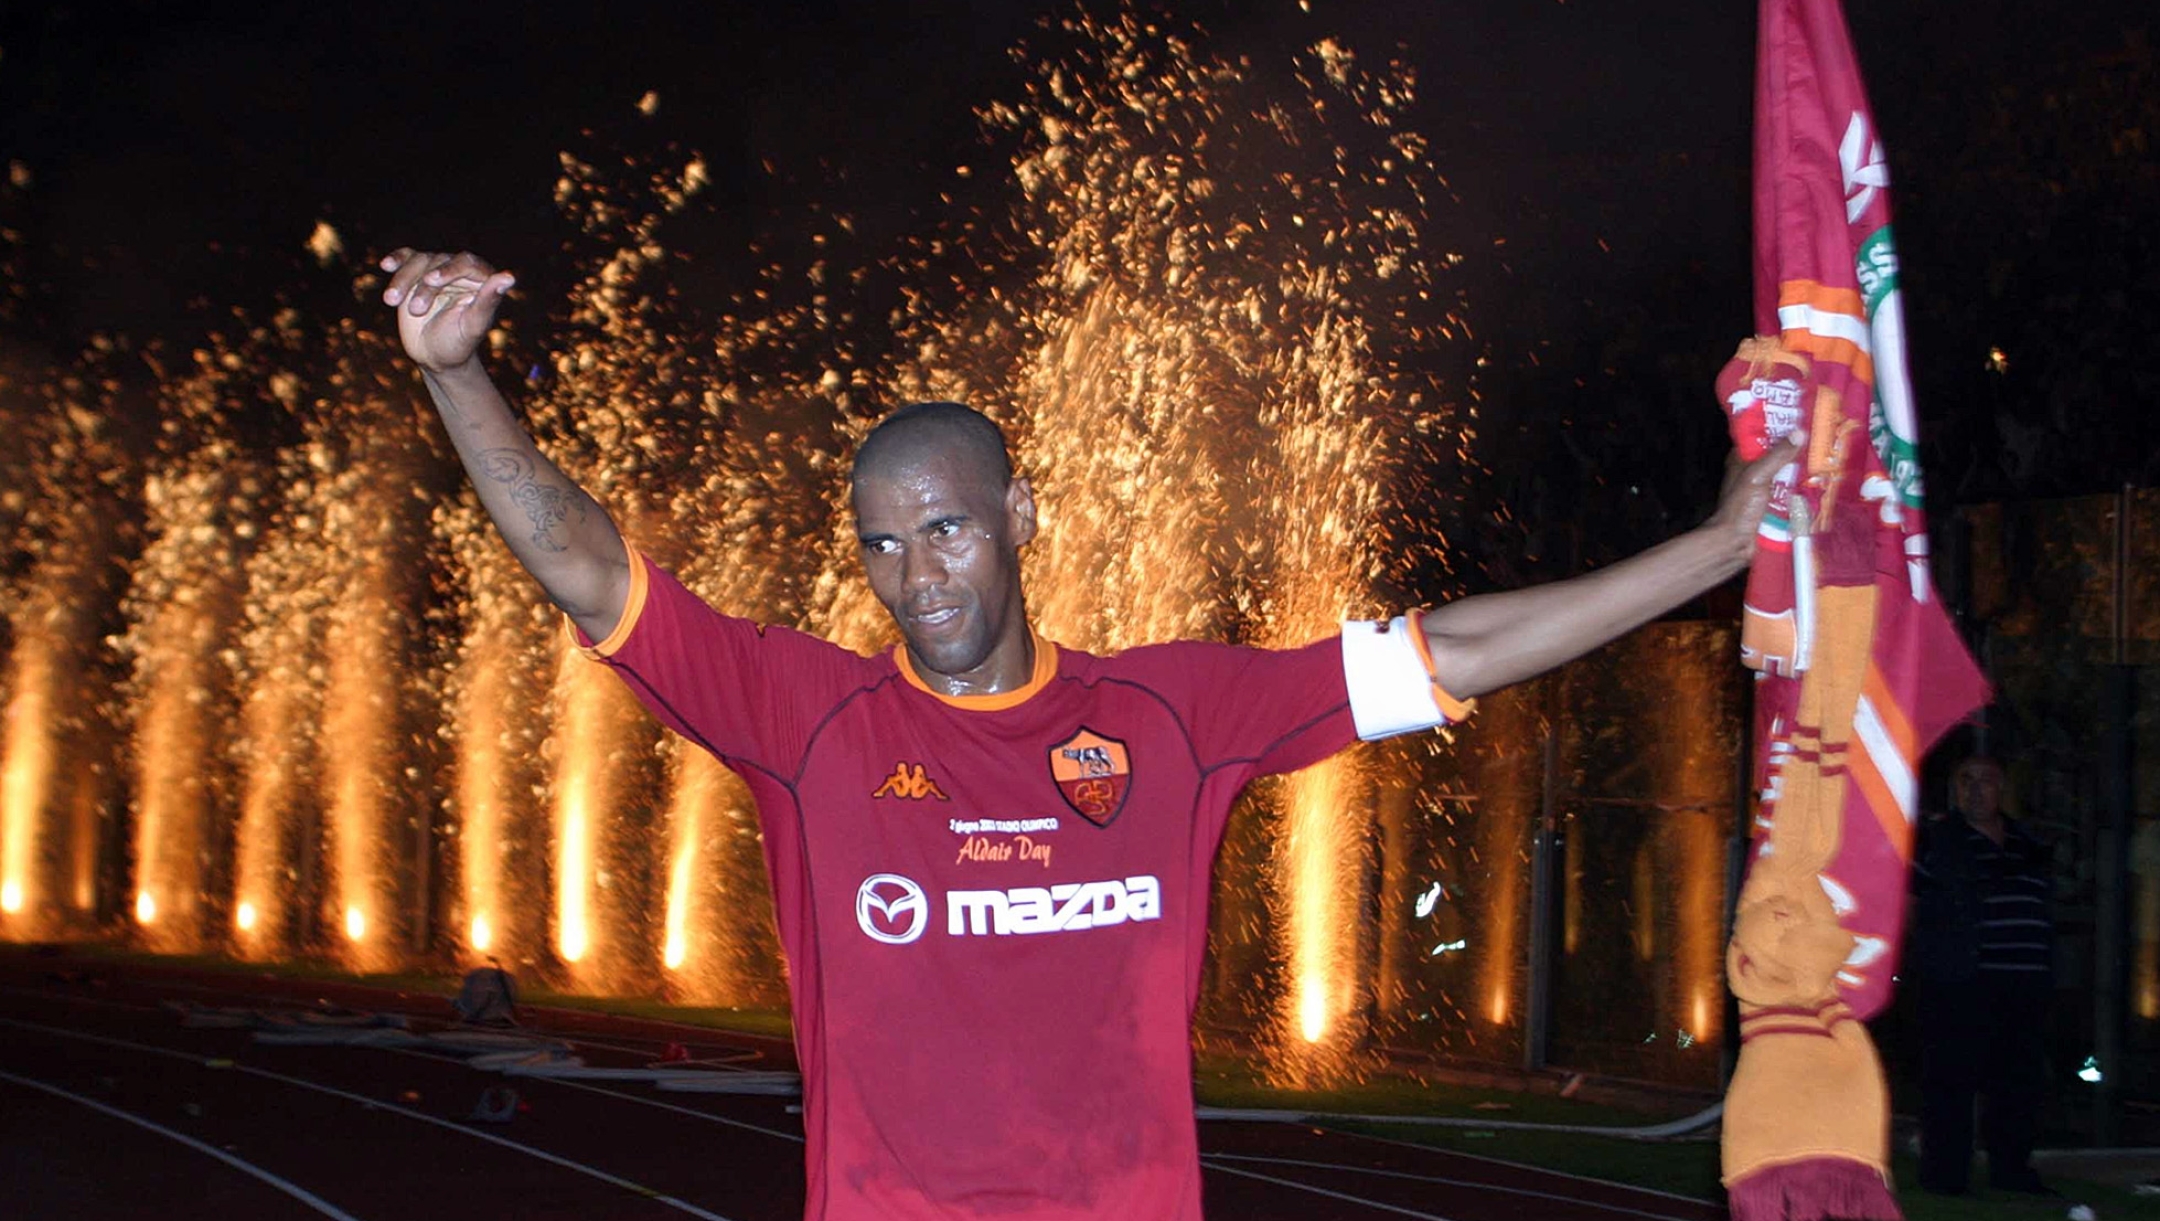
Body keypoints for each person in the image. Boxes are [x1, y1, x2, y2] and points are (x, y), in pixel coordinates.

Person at [380, 247, 1802, 1220]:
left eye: (944, 528)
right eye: (882, 544)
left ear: (1020, 518)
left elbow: (1462, 649)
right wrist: (455, 374)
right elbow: (583, 562)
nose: (916, 573)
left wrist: (1720, 547)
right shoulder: (808, 720)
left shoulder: (1169, 715)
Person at [1908, 753, 2055, 1195]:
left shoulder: (2028, 844)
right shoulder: (1938, 842)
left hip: (2025, 983)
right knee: (1951, 1082)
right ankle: (1945, 1176)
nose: (1975, 789)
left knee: (2017, 1084)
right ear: (1955, 791)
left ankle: (2012, 1171)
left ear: (2002, 788)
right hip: (1963, 982)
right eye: (1965, 780)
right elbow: (1912, 905)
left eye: (1986, 780)